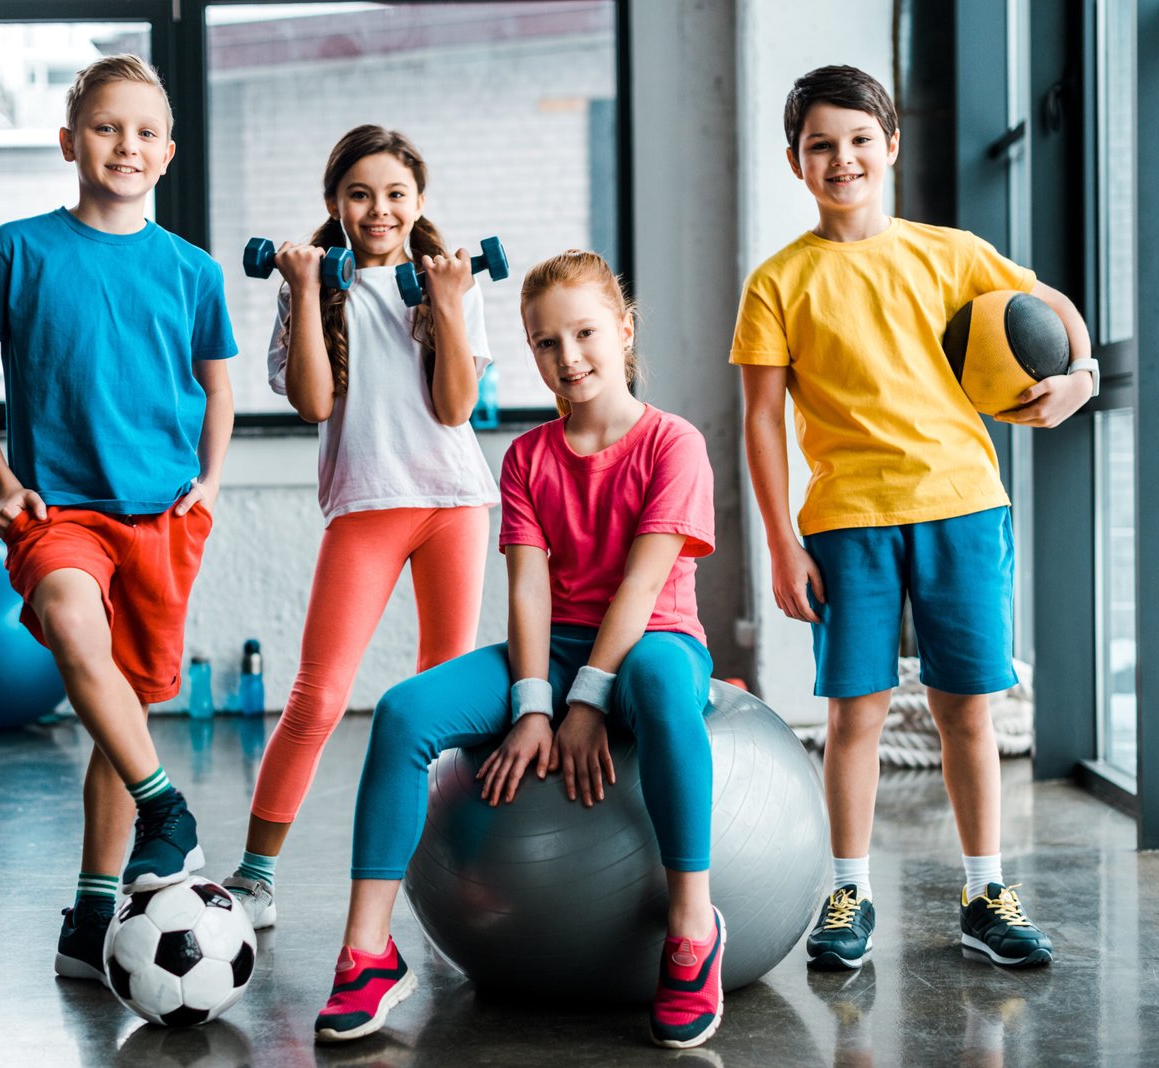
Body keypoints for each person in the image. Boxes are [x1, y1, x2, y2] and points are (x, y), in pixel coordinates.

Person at [732, 65, 1097, 972]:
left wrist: (1079, 379)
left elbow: (1054, 313)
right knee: (854, 714)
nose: (842, 158)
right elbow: (760, 424)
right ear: (795, 161)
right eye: (821, 144)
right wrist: (781, 542)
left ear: (890, 147)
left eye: (859, 139)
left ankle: (984, 892)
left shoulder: (953, 253)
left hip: (963, 508)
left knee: (968, 711)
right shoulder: (778, 282)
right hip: (846, 523)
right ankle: (847, 890)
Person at [312, 250, 724, 1050]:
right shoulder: (528, 458)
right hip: (554, 648)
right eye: (545, 343)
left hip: (654, 640)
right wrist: (534, 707)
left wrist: (585, 705)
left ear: (625, 331)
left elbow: (641, 588)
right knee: (401, 712)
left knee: (665, 690)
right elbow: (530, 592)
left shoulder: (675, 444)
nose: (567, 358)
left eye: (584, 334)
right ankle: (368, 954)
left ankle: (692, 930)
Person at [0, 54, 237, 985]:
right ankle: (169, 812)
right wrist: (2, 479)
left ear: (169, 154)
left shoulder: (190, 269)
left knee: (124, 720)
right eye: (107, 128)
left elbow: (218, 384)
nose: (126, 145)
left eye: (145, 132)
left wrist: (212, 480)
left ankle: (93, 911)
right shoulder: (18, 249)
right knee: (74, 627)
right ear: (70, 142)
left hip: (160, 517)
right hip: (57, 511)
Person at [221, 126, 498, 930]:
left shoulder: (451, 283)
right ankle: (257, 873)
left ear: (420, 202)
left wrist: (446, 302)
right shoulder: (311, 284)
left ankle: (450, 870)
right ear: (334, 204)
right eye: (360, 194)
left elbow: (453, 410)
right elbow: (313, 402)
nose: (379, 210)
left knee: (443, 700)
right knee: (319, 696)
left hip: (452, 502)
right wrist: (305, 290)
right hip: (366, 506)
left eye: (396, 194)